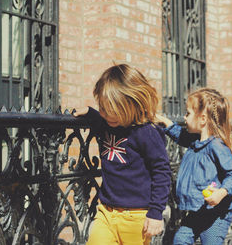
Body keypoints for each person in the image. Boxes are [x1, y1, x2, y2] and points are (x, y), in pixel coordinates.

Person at [73, 64, 171, 245]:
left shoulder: (146, 133)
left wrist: (156, 213)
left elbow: (162, 172)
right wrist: (91, 112)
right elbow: (100, 119)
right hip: (106, 213)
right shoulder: (107, 123)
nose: (107, 115)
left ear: (132, 103)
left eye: (113, 110)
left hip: (137, 217)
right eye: (102, 108)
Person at [156, 87, 232, 245]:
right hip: (197, 210)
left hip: (216, 213)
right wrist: (165, 122)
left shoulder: (216, 145)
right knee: (180, 240)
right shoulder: (195, 141)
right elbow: (180, 136)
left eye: (187, 113)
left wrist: (221, 193)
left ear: (202, 119)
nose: (184, 117)